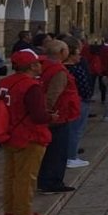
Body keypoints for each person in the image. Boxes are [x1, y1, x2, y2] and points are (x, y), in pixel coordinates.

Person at [0, 50, 56, 215]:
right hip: (29, 136)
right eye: (38, 63)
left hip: (9, 133)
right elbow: (38, 116)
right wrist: (51, 117)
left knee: (11, 176)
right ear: (31, 66)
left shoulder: (5, 82)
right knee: (26, 177)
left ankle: (10, 211)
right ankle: (23, 214)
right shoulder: (31, 86)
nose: (41, 66)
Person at [37, 40, 81, 194]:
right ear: (62, 52)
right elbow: (53, 94)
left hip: (55, 115)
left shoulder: (44, 67)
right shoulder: (58, 70)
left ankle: (46, 180)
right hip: (58, 116)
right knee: (57, 151)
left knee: (51, 151)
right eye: (67, 49)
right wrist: (48, 114)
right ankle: (52, 182)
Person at [64, 37, 92, 169]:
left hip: (69, 102)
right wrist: (87, 97)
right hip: (79, 101)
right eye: (78, 53)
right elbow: (84, 86)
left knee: (71, 130)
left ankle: (69, 155)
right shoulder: (76, 69)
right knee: (76, 130)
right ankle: (72, 157)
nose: (80, 56)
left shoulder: (62, 68)